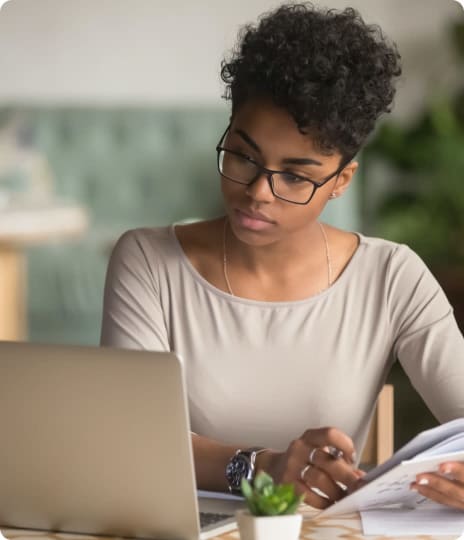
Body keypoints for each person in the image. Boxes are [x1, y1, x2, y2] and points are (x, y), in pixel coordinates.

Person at [100, 3, 464, 510]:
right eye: (243, 155)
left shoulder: (391, 276)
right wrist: (261, 467)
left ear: (341, 181)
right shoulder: (148, 261)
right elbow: (130, 438)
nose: (258, 192)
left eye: (295, 175)